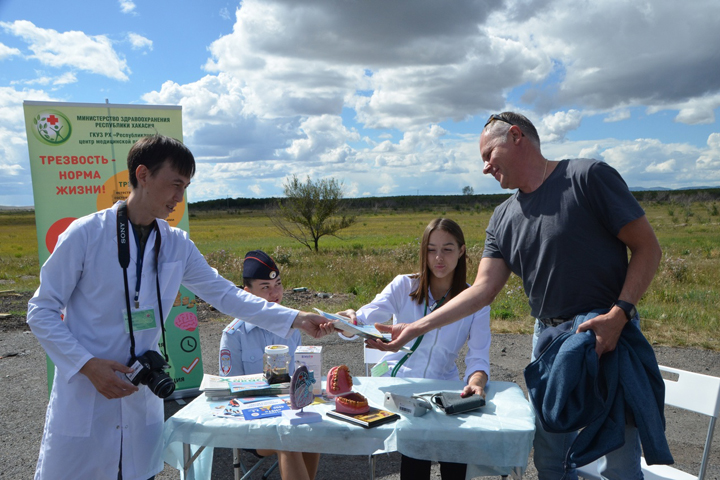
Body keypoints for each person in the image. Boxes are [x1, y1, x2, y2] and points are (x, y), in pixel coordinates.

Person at [367, 112, 663, 480]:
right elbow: (481, 291)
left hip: (609, 336)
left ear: (516, 136)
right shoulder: (502, 218)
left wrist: (620, 314)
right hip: (551, 344)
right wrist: (414, 328)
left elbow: (648, 248)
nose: (486, 167)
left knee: (617, 461)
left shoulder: (588, 177)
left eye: (488, 154)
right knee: (552, 459)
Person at [26, 134, 335, 480]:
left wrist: (297, 318)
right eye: (175, 184)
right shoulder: (84, 235)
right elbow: (41, 310)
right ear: (142, 174)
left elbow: (227, 296)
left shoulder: (176, 244)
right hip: (86, 394)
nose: (180, 197)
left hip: (138, 393)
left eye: (186, 187)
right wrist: (87, 365)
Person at [340, 218, 491, 480]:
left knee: (455, 457)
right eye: (431, 249)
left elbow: (478, 357)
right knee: (414, 458)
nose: (438, 258)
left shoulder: (475, 300)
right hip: (403, 387)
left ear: (462, 251)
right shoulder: (404, 285)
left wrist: (477, 382)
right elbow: (363, 319)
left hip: (446, 387)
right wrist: (348, 321)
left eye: (447, 249)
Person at [219, 250, 321, 480]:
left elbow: (296, 379)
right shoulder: (234, 334)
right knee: (287, 440)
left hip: (287, 412)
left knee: (315, 433)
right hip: (251, 421)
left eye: (278, 284)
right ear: (246, 293)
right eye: (265, 287)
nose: (275, 294)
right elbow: (230, 391)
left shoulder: (292, 328)